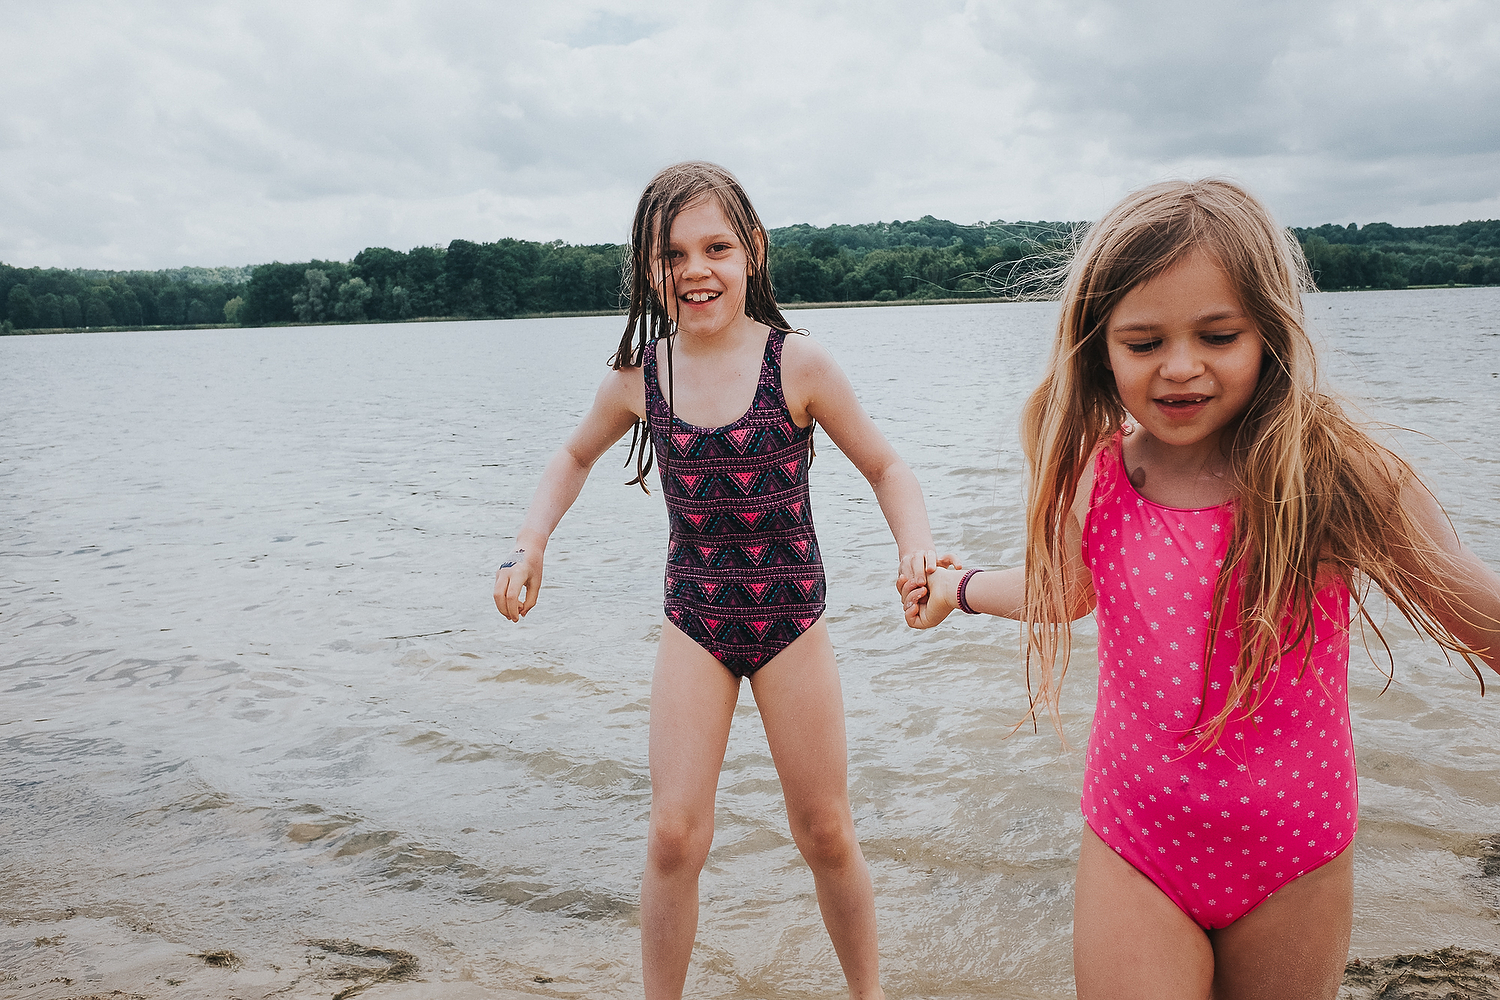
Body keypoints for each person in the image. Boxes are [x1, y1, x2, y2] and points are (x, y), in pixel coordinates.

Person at [901, 179, 1500, 1000]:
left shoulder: (1329, 472)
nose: (1181, 368)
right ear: (1099, 348)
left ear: (1270, 333)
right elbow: (1065, 590)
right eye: (1144, 343)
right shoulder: (1101, 469)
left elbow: (1474, 611)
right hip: (1136, 838)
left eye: (1218, 335)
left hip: (1294, 851)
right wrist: (960, 588)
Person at [494, 161, 934, 1000]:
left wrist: (914, 548)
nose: (695, 270)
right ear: (648, 271)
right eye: (672, 255)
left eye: (716, 248)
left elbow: (885, 465)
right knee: (672, 836)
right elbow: (573, 454)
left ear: (753, 253)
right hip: (694, 621)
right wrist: (530, 542)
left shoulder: (797, 363)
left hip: (791, 623)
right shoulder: (640, 378)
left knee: (826, 831)